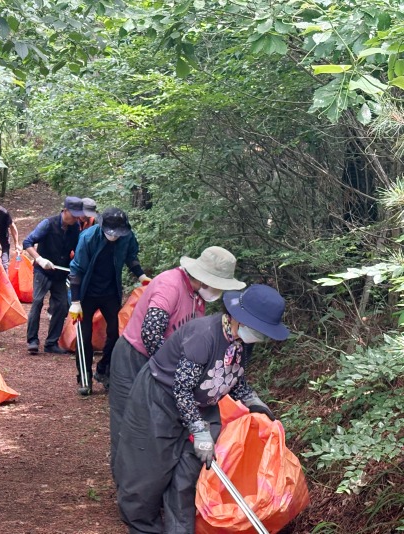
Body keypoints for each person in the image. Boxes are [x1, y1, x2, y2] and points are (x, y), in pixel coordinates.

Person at [115, 284, 289, 533]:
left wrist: (251, 400)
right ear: (239, 318)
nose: (259, 336)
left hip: (203, 405)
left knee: (188, 475)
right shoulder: (204, 336)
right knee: (148, 471)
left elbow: (232, 377)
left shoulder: (243, 342)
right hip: (160, 401)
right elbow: (182, 389)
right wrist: (199, 430)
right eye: (258, 330)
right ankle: (143, 526)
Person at [109, 246, 244, 475]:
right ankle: (126, 483)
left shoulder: (198, 297)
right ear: (204, 279)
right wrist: (177, 374)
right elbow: (151, 335)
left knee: (155, 425)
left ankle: (150, 482)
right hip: (135, 357)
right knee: (129, 423)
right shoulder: (169, 285)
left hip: (164, 365)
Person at [68, 207, 149, 395]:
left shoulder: (127, 237)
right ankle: (85, 378)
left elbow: (131, 257)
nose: (114, 236)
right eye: (110, 233)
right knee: (84, 336)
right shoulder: (88, 238)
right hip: (86, 292)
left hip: (110, 291)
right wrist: (76, 301)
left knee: (116, 331)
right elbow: (77, 270)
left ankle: (104, 370)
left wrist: (141, 276)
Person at [23, 196, 84, 354]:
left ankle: (51, 343)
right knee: (37, 302)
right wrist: (39, 259)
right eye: (74, 214)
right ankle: (32, 340)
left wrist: (78, 264)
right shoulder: (48, 224)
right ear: (65, 211)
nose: (77, 218)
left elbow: (77, 249)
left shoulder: (75, 227)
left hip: (60, 272)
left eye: (79, 215)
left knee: (62, 305)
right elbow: (27, 243)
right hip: (42, 271)